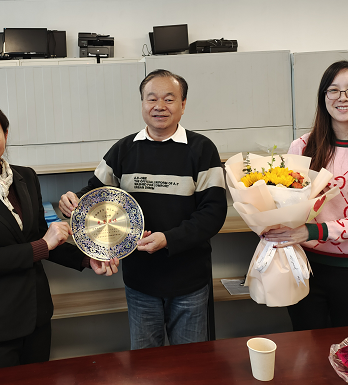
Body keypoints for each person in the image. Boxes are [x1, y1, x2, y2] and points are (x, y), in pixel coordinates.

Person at [0, 100, 117, 373]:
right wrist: (43, 244)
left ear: (5, 134)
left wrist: (88, 259)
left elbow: (40, 236)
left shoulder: (26, 177)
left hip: (36, 317)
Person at [59, 69, 227, 350]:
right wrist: (72, 201)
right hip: (140, 281)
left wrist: (169, 239)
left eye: (169, 99)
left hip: (189, 280)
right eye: (151, 98)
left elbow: (213, 213)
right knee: (144, 363)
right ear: (142, 103)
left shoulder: (202, 149)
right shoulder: (124, 149)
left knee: (192, 362)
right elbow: (94, 193)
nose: (159, 106)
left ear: (183, 104)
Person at [264, 61, 348, 330]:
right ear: (323, 98)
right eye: (333, 90)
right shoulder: (302, 146)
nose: (342, 97)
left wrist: (312, 232)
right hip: (305, 266)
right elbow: (285, 204)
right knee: (307, 348)